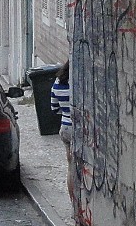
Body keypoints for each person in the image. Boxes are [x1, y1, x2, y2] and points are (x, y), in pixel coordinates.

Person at [51, 61, 75, 220]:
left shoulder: (57, 83)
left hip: (65, 128)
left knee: (71, 168)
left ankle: (74, 205)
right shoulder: (78, 82)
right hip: (79, 129)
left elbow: (54, 107)